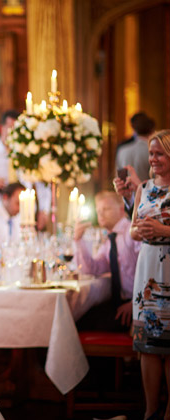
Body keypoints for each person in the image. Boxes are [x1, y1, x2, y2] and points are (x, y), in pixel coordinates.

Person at [130, 129, 170, 420]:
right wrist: (141, 231)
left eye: (159, 154)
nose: (153, 159)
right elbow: (132, 228)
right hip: (147, 271)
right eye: (151, 154)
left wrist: (163, 231)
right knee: (148, 345)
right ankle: (150, 410)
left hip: (168, 269)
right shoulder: (143, 187)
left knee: (169, 345)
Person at [0, 109, 51, 230]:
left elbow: (42, 184)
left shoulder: (30, 152)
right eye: (10, 128)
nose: (14, 132)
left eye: (18, 129)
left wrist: (44, 210)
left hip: (25, 214)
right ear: (1, 128)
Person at [73, 191, 140, 332]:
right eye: (98, 210)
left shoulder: (132, 233)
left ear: (121, 210)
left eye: (106, 209)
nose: (101, 214)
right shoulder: (110, 240)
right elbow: (92, 269)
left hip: (136, 305)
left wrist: (136, 304)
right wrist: (79, 240)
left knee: (79, 324)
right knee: (75, 318)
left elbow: (149, 271)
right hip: (118, 303)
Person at [116, 112, 155, 183]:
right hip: (146, 192)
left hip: (126, 192)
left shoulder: (122, 150)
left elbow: (118, 178)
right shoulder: (153, 150)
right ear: (151, 129)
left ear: (134, 129)